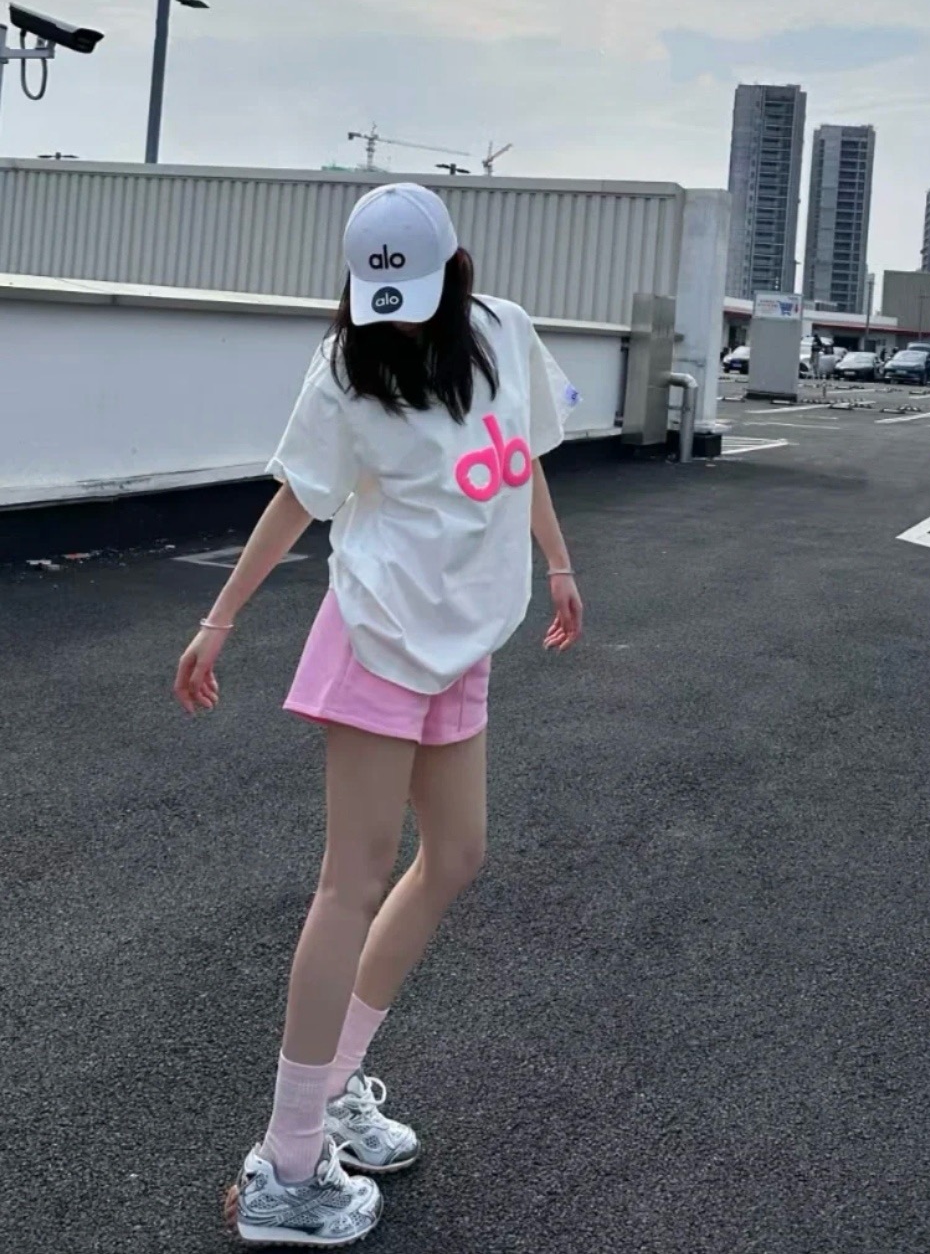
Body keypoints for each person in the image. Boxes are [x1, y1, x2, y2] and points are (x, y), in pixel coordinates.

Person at [173, 183, 584, 1248]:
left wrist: (557, 560)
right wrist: (219, 619)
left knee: (456, 854)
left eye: (413, 294)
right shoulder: (345, 367)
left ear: (457, 272)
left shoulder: (506, 334)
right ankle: (288, 1164)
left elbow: (522, 458)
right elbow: (299, 497)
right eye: (378, 297)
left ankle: (333, 1090)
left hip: (461, 636)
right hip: (376, 634)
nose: (393, 319)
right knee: (350, 881)